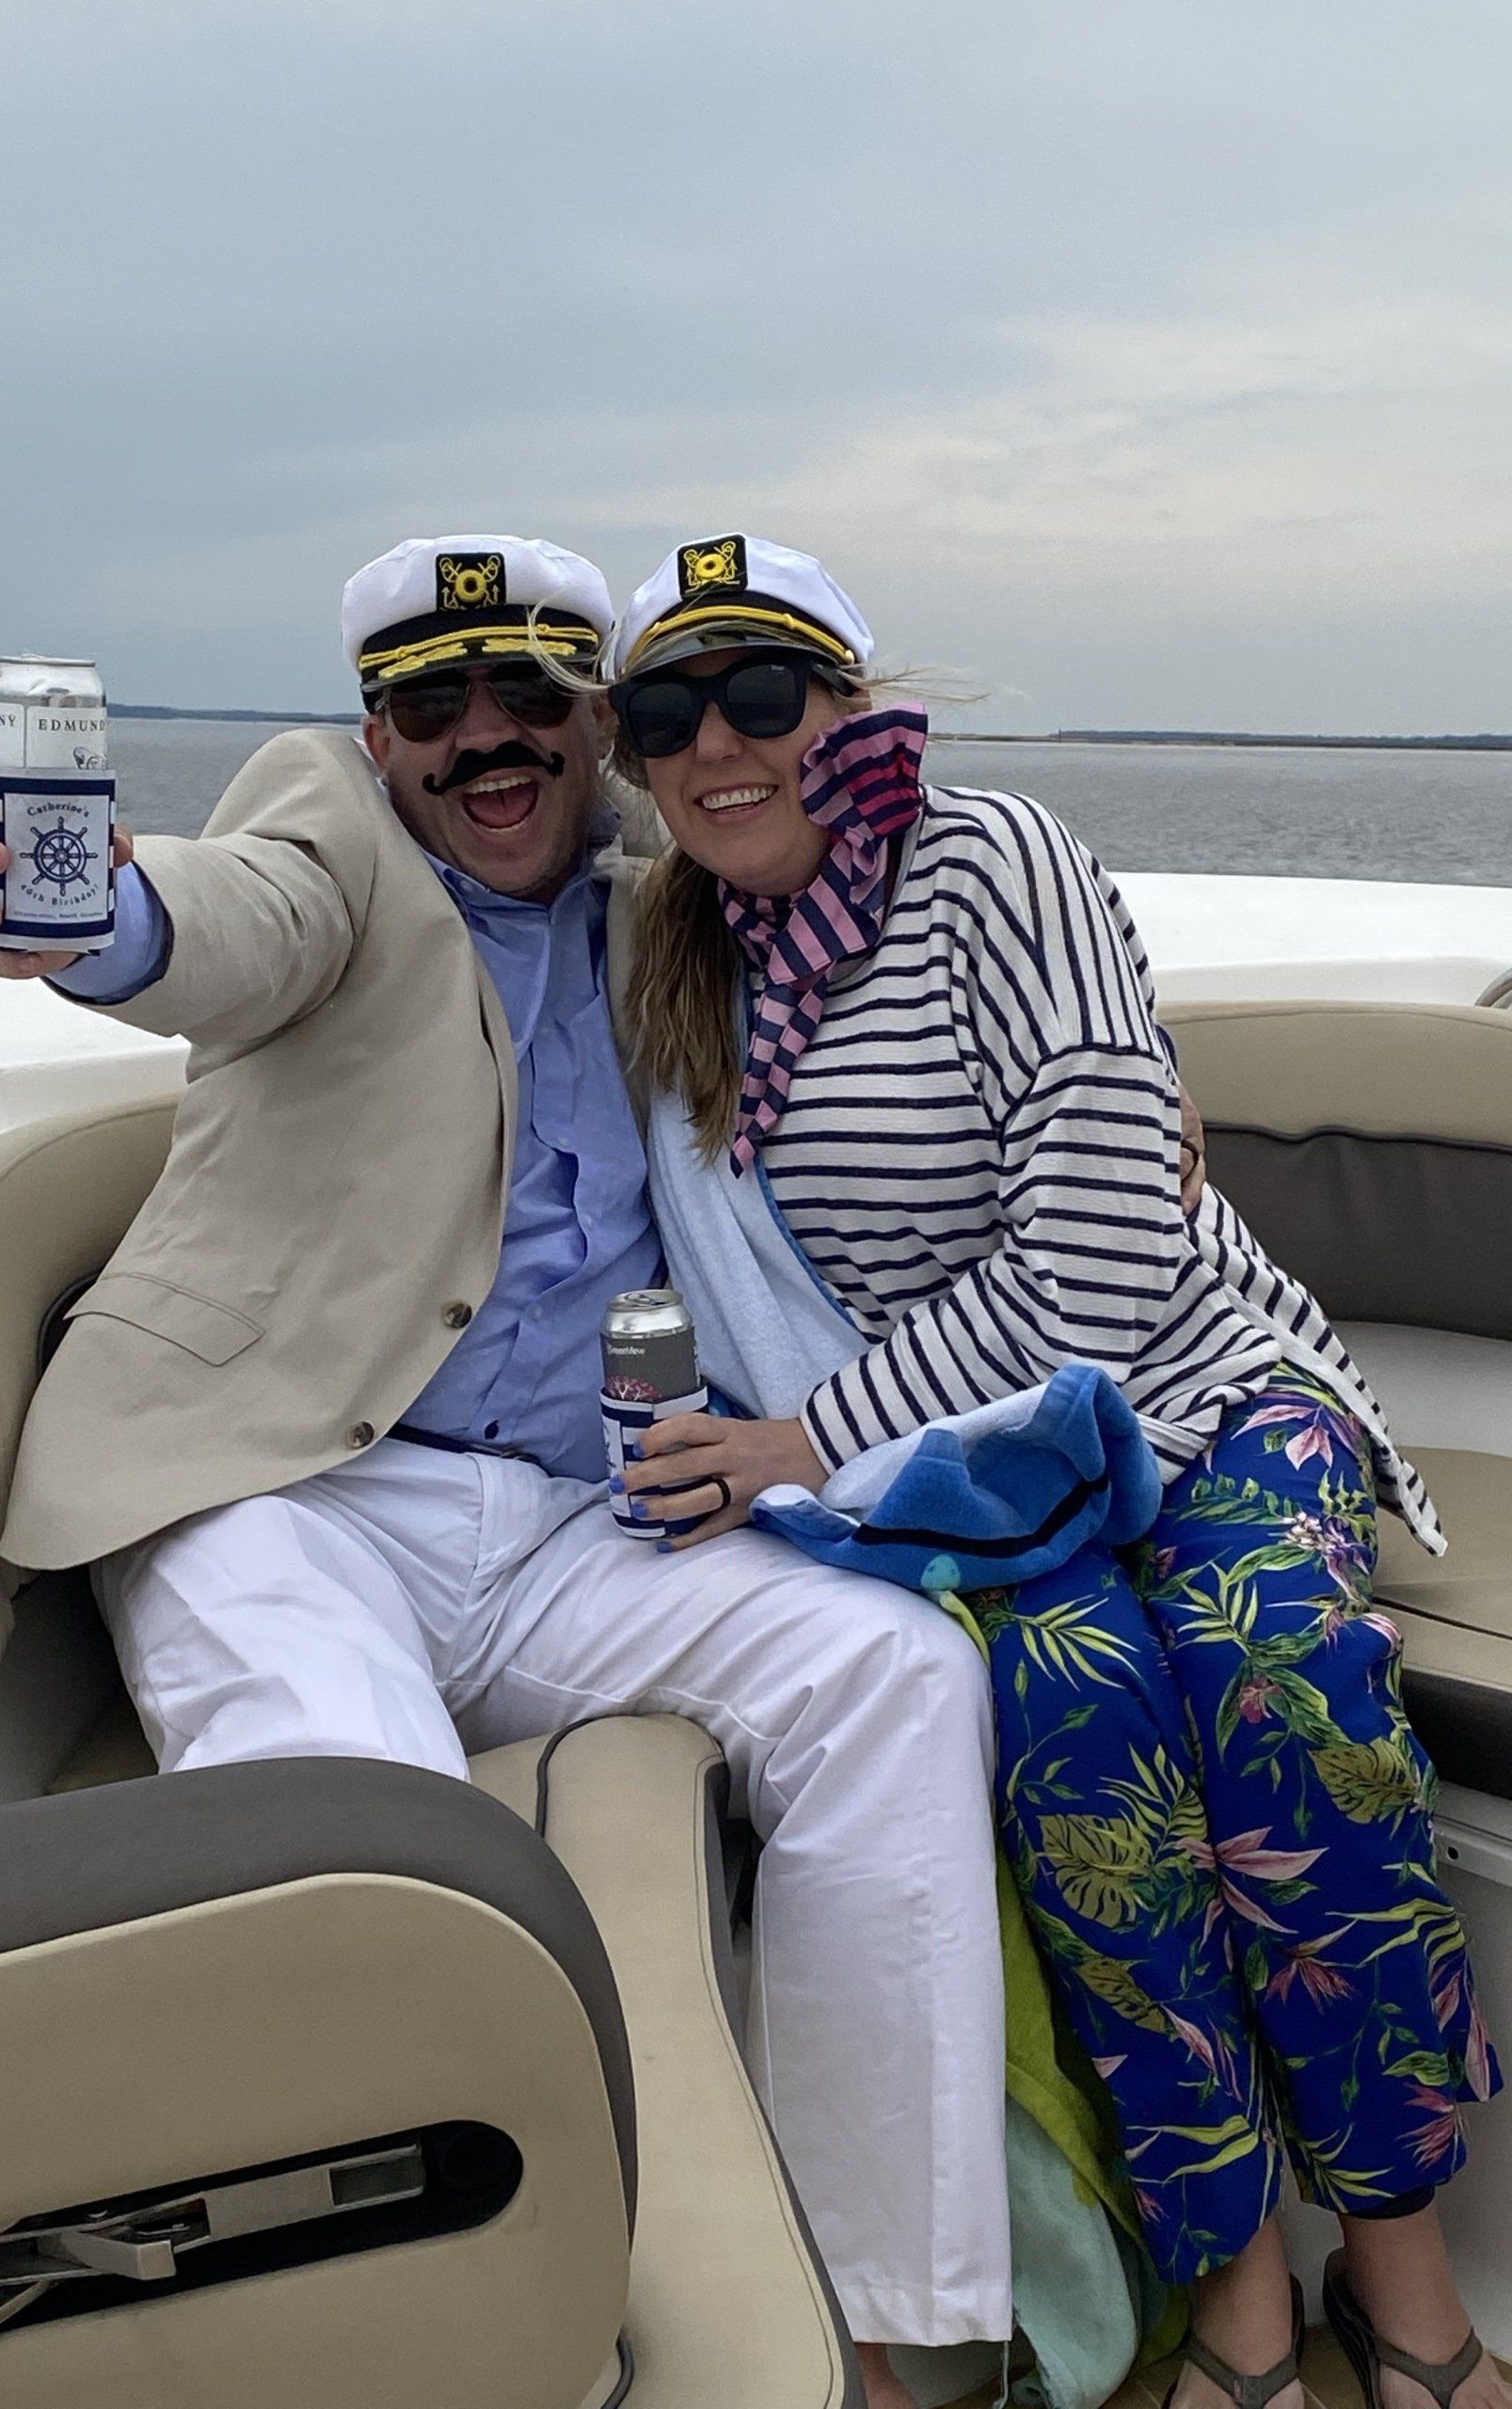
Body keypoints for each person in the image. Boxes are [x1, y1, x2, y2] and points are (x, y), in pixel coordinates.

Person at [0, 535, 1011, 2408]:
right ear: (377, 734)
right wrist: (93, 919)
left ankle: (884, 2325)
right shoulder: (333, 834)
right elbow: (225, 920)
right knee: (365, 1811)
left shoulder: (659, 904)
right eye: (434, 706)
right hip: (290, 1487)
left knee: (898, 1675)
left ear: (602, 720)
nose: (485, 741)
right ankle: (470, 2348)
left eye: (531, 697)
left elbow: (881, 970)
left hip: (586, 1517)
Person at [606, 534, 1508, 2409]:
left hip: (1203, 1387)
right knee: (1073, 1730)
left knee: (1277, 1679)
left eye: (764, 691)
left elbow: (1103, 1253)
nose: (718, 741)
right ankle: (1241, 2294)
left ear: (852, 707)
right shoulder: (688, 951)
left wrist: (801, 1441)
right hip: (987, 1474)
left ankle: (1407, 2285)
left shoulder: (990, 862)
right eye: (665, 710)